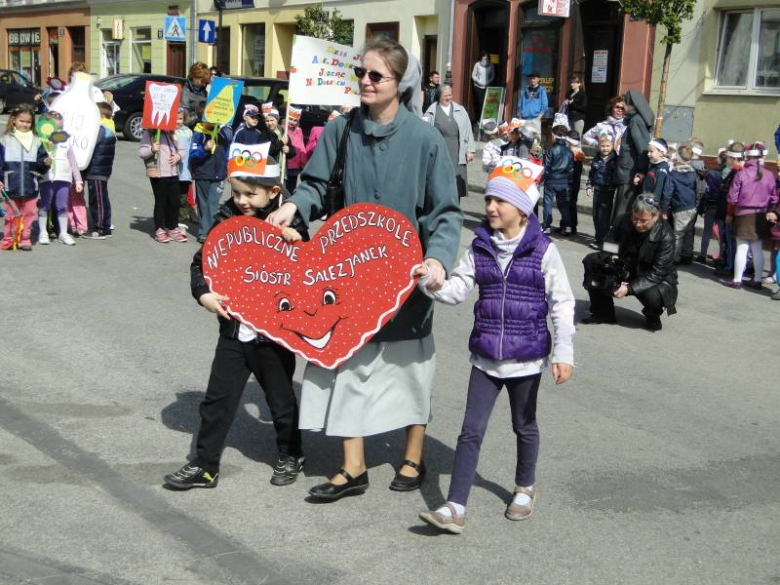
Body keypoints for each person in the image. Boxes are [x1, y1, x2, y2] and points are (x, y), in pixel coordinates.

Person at [267, 36, 462, 502]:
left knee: (411, 369)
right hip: (350, 273)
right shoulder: (341, 129)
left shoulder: (425, 138)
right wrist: (295, 207)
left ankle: (413, 455)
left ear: (400, 83)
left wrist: (437, 258)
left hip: (406, 278)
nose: (366, 82)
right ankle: (353, 466)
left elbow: (445, 212)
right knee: (346, 364)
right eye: (362, 73)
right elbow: (314, 182)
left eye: (377, 75)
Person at [417, 158, 575, 533]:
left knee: (524, 426)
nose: (490, 207)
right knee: (470, 430)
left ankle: (525, 486)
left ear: (521, 208)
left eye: (499, 201)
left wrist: (563, 353)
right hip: (485, 358)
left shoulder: (543, 251)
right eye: (488, 199)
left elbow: (562, 304)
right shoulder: (481, 247)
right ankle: (455, 505)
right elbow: (457, 289)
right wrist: (432, 282)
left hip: (526, 359)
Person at [164, 154, 308, 490]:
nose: (241, 200)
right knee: (217, 400)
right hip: (233, 326)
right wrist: (204, 294)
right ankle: (205, 464)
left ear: (273, 193)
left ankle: (291, 453)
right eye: (237, 193)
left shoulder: (291, 220)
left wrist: (297, 242)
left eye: (249, 194)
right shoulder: (225, 216)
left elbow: (310, 272)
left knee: (280, 399)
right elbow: (202, 263)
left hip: (273, 334)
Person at [582, 196, 677, 331]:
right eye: (635, 218)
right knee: (592, 260)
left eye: (643, 220)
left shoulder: (666, 235)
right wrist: (612, 257)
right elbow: (609, 243)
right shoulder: (623, 220)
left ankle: (653, 315)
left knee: (655, 296)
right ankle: (602, 313)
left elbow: (658, 272)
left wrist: (629, 289)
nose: (638, 224)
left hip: (648, 275)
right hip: (624, 266)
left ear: (655, 217)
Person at [722, 142, 778, 290]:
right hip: (761, 214)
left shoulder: (742, 173)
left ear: (747, 156)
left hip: (743, 213)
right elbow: (774, 197)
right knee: (757, 248)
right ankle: (758, 279)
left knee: (742, 247)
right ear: (760, 156)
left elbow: (732, 198)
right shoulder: (769, 175)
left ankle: (737, 280)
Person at [0, 105, 51, 250]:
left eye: (28, 122)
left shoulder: (37, 141)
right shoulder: (4, 140)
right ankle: (9, 238)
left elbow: (42, 163)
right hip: (11, 184)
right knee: (11, 214)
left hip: (31, 184)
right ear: (14, 120)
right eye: (22, 121)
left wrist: (45, 162)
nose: (25, 124)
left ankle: (25, 238)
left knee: (29, 213)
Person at [37, 110, 83, 246]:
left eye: (61, 127)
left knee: (62, 206)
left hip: (64, 179)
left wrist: (78, 180)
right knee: (45, 205)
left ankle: (63, 232)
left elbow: (73, 161)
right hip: (47, 178)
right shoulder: (41, 141)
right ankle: (43, 232)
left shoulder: (66, 141)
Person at [424, 84, 475, 199]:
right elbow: (424, 131)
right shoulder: (431, 111)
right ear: (439, 97)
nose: (448, 98)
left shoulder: (460, 110)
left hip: (457, 149)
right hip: (440, 150)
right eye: (445, 95)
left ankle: (455, 208)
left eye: (450, 95)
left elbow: (468, 130)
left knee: (456, 182)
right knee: (439, 180)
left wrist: (470, 150)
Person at [139, 125, 187, 244]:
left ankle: (172, 228)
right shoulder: (150, 133)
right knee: (161, 202)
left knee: (174, 202)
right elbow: (141, 152)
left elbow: (182, 149)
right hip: (158, 173)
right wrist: (151, 149)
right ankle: (160, 229)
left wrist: (179, 156)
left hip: (173, 173)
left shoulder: (173, 132)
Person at [612, 90, 654, 224]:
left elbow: (642, 148)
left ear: (631, 104)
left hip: (630, 173)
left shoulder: (636, 120)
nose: (622, 106)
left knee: (623, 210)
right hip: (626, 171)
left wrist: (641, 171)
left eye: (624, 103)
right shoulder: (632, 119)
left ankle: (615, 241)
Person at [189, 119, 234, 243]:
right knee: (203, 205)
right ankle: (205, 230)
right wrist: (205, 148)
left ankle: (205, 232)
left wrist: (228, 168)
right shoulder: (198, 133)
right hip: (202, 174)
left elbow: (227, 151)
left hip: (219, 175)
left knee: (213, 204)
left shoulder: (224, 132)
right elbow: (193, 155)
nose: (213, 122)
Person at [83, 102, 117, 240]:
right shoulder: (107, 127)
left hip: (97, 170)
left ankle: (101, 228)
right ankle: (104, 226)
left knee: (98, 200)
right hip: (99, 169)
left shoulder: (100, 129)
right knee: (100, 198)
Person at [663, 145, 698, 264]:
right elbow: (696, 189)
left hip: (679, 207)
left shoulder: (673, 175)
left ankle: (675, 258)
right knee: (689, 232)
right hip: (692, 206)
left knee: (678, 234)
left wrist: (664, 210)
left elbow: (668, 193)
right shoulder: (693, 173)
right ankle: (687, 256)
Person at [715, 142, 744, 275]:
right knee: (728, 240)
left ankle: (730, 267)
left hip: (730, 213)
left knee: (730, 241)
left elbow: (733, 196)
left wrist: (729, 214)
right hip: (725, 211)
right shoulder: (733, 172)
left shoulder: (738, 173)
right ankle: (728, 264)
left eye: (727, 158)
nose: (726, 160)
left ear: (734, 159)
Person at [541, 125, 574, 234]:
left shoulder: (550, 149)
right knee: (563, 204)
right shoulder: (569, 152)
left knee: (548, 203)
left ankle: (547, 226)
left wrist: (543, 178)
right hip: (564, 181)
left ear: (554, 135)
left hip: (551, 180)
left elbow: (546, 167)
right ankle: (568, 227)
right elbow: (571, 169)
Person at [587, 135, 618, 247]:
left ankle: (602, 241)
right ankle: (598, 237)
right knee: (596, 215)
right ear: (599, 147)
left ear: (612, 146)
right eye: (603, 146)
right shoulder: (597, 158)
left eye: (608, 146)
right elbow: (591, 174)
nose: (605, 148)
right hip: (598, 189)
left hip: (608, 190)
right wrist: (589, 186)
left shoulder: (615, 160)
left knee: (603, 217)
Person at [696, 150, 726, 264]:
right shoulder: (729, 173)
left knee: (707, 231)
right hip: (723, 205)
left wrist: (703, 205)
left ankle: (703, 254)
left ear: (718, 159)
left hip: (711, 205)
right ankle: (722, 256)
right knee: (722, 232)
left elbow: (707, 191)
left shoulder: (712, 174)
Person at [173, 107, 195, 227]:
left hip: (185, 170)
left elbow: (191, 150)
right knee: (172, 197)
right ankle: (171, 219)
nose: (178, 121)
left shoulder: (188, 132)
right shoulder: (169, 131)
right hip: (173, 170)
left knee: (183, 197)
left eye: (180, 119)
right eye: (175, 118)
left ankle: (181, 220)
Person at [636, 138, 670, 202]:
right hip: (645, 199)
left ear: (661, 153)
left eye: (651, 151)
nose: (648, 154)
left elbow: (658, 190)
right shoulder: (653, 164)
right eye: (648, 151)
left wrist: (652, 203)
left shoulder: (661, 169)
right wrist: (640, 178)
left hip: (650, 204)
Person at [566, 130, 585, 235]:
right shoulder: (577, 152)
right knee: (570, 204)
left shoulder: (577, 154)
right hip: (573, 182)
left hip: (572, 183)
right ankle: (567, 225)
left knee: (570, 205)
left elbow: (573, 170)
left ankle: (570, 227)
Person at [283, 110, 306, 193]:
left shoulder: (299, 131)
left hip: (295, 164)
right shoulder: (282, 129)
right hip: (286, 163)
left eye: (295, 120)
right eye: (290, 119)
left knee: (291, 187)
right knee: (283, 184)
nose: (292, 122)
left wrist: (303, 160)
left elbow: (301, 146)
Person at [471, 51, 495, 120]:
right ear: (481, 58)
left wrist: (488, 82)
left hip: (487, 86)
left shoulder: (491, 65)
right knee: (480, 102)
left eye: (487, 58)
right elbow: (473, 75)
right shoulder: (477, 64)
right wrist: (479, 81)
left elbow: (492, 76)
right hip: (478, 86)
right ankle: (479, 118)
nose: (485, 59)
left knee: (486, 102)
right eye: (484, 58)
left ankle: (485, 118)